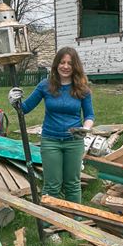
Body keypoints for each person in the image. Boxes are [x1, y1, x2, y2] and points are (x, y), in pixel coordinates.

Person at [9, 47, 94, 204]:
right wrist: (14, 100)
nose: (65, 66)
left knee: (72, 184)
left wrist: (86, 128)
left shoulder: (82, 88)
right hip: (51, 142)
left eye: (70, 63)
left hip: (74, 142)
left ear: (75, 66)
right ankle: (50, 224)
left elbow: (89, 115)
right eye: (62, 62)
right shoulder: (45, 85)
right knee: (52, 185)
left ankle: (74, 221)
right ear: (56, 65)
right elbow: (25, 109)